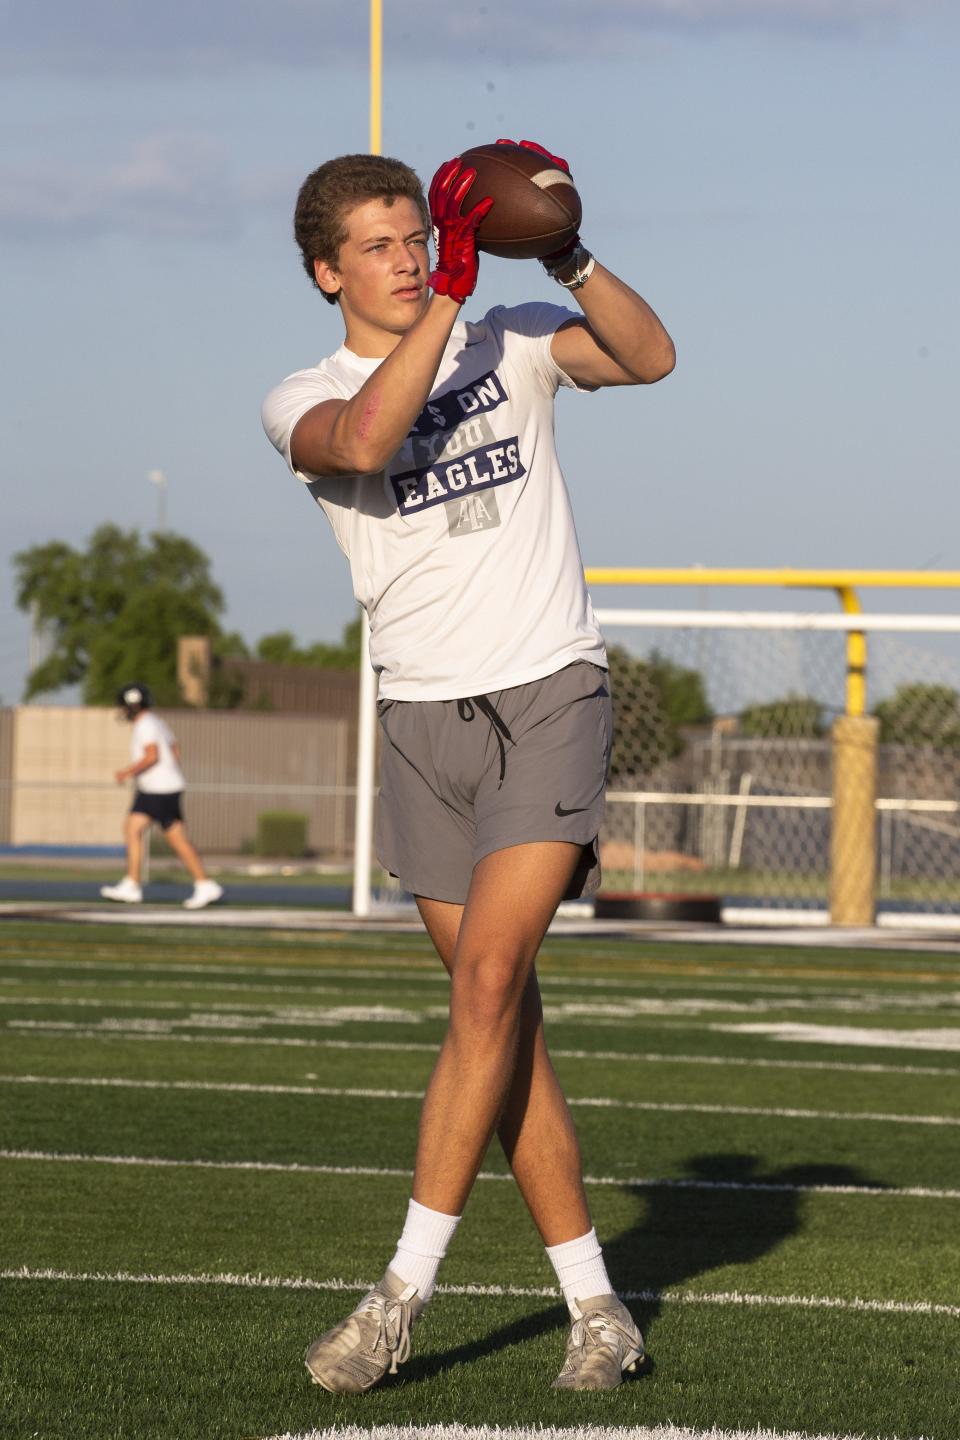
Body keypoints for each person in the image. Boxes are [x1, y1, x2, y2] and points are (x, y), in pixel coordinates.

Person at [261, 142, 675, 1393]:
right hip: (420, 724)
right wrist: (444, 296)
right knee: (508, 1032)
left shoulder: (520, 336)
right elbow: (373, 439)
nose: (403, 262)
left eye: (416, 237)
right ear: (327, 270)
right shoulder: (296, 393)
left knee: (488, 986)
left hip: (548, 686)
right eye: (378, 248)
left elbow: (650, 357)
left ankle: (397, 1299)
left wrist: (562, 248)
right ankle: (599, 1309)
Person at [100, 683, 224, 910]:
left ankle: (201, 884)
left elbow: (152, 755)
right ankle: (134, 883)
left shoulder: (145, 724)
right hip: (163, 787)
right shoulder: (156, 722)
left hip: (158, 789)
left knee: (163, 836)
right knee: (135, 828)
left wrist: (127, 772)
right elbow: (175, 751)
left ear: (132, 706)